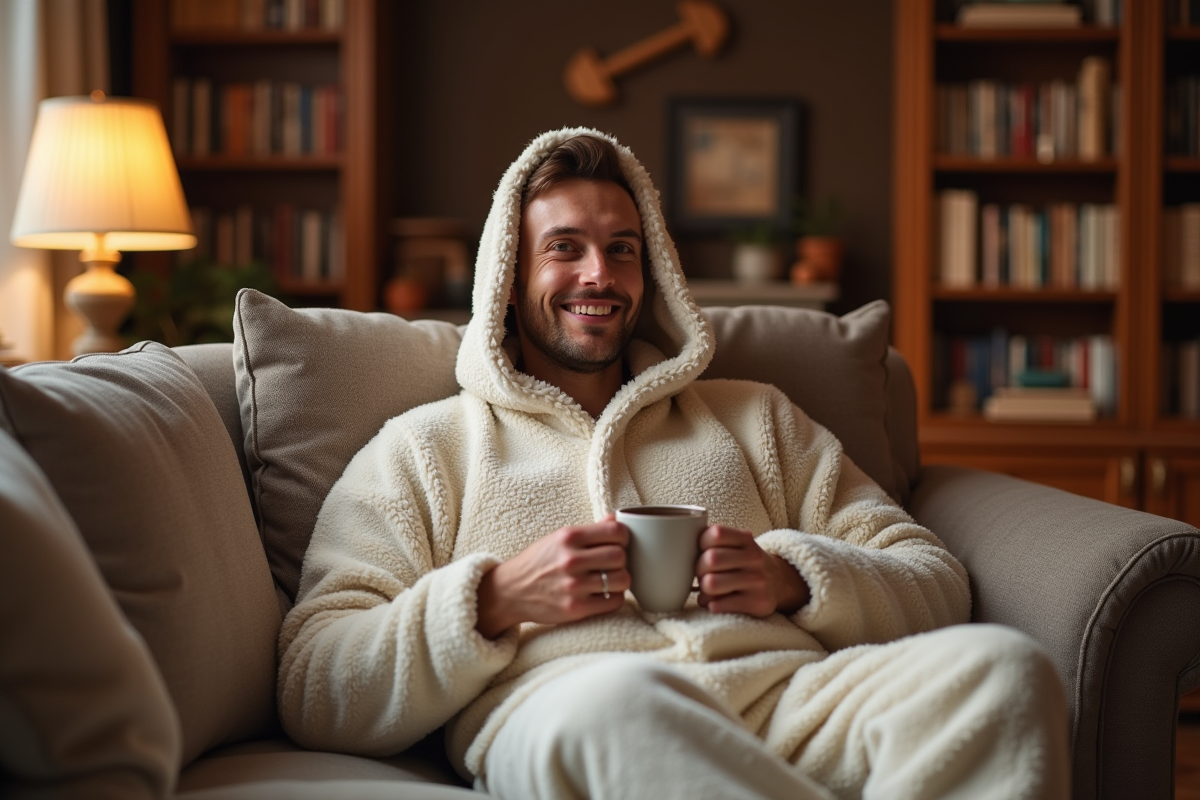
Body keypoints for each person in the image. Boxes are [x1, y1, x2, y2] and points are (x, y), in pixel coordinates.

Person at [277, 128, 1069, 800]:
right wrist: (489, 601)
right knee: (618, 705)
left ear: (649, 273)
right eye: (565, 249)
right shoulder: (424, 448)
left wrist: (794, 577)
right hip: (565, 710)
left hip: (785, 701)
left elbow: (932, 578)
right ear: (509, 283)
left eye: (621, 250)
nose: (598, 274)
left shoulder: (756, 418)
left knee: (1002, 672)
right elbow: (314, 680)